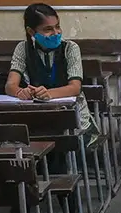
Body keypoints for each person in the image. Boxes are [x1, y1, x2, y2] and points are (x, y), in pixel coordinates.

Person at [5, 3, 97, 136]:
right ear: (31, 32)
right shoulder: (23, 48)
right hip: (38, 118)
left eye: (57, 27)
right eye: (48, 29)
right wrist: (21, 92)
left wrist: (48, 94)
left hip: (74, 119)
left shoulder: (70, 48)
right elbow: (10, 86)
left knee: (68, 140)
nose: (56, 33)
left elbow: (75, 88)